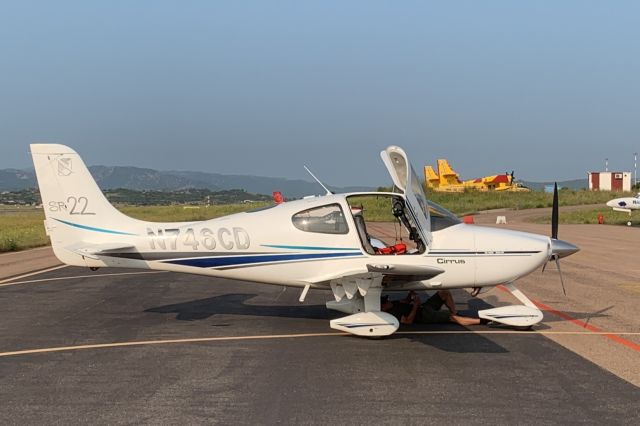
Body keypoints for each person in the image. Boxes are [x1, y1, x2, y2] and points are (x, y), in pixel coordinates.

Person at [381, 290, 485, 326]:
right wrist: (415, 306)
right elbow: (408, 321)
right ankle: (482, 321)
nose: (389, 301)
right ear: (383, 307)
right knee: (451, 318)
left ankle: (455, 312)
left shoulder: (393, 304)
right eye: (386, 302)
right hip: (424, 315)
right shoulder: (393, 314)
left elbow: (405, 301)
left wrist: (410, 294)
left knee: (444, 293)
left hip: (424, 307)